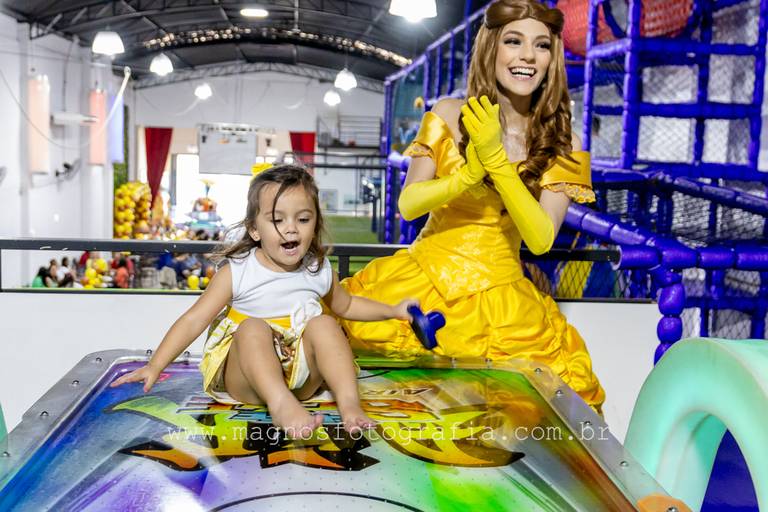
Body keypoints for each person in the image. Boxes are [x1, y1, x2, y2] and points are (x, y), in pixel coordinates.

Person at [340, 0, 605, 411]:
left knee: (516, 416)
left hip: (504, 304)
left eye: (541, 45)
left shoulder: (564, 142)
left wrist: (497, 163)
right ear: (490, 47)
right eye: (513, 41)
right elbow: (408, 205)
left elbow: (540, 239)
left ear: (552, 58)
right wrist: (465, 177)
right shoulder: (449, 113)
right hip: (423, 280)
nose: (527, 56)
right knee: (387, 400)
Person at [112, 165, 416, 436]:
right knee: (252, 328)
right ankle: (280, 403)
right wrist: (156, 365)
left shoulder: (318, 269)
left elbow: (347, 306)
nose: (291, 228)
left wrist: (394, 310)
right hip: (247, 379)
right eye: (277, 220)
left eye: (303, 219)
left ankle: (349, 404)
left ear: (315, 224)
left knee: (325, 323)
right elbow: (194, 319)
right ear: (255, 229)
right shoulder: (238, 271)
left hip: (300, 379)